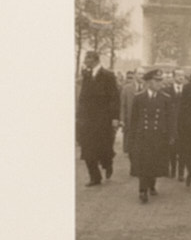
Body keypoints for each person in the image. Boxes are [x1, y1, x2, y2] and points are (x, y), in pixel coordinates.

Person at [123, 68, 174, 202]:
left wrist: (171, 136)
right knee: (143, 164)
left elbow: (170, 119)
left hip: (159, 136)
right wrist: (131, 138)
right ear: (149, 82)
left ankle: (152, 185)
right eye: (156, 81)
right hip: (143, 135)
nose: (160, 83)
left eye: (160, 80)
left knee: (155, 162)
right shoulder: (139, 98)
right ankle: (142, 190)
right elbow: (134, 119)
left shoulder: (166, 99)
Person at [75, 51, 120, 186]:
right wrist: (79, 116)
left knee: (104, 148)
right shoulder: (86, 75)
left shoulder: (108, 76)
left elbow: (114, 98)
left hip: (103, 120)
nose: (84, 61)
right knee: (87, 148)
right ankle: (95, 177)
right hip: (88, 120)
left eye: (86, 59)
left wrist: (115, 118)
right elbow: (82, 98)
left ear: (93, 59)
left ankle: (108, 163)